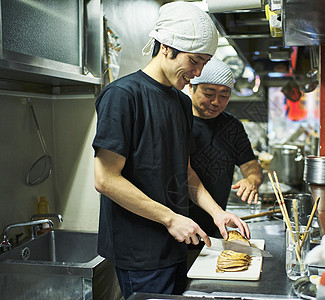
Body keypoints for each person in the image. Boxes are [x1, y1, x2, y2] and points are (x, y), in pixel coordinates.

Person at [92, 3, 249, 298]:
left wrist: (217, 213)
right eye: (194, 61)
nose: (198, 71)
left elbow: (184, 169)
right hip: (141, 250)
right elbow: (105, 180)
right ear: (166, 47)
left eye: (205, 62)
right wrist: (170, 218)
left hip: (176, 244)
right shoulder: (123, 96)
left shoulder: (179, 102)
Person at [187, 57, 264, 240]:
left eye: (224, 95)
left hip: (216, 224)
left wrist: (252, 179)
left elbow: (250, 164)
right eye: (209, 93)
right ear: (191, 87)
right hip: (180, 227)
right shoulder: (178, 121)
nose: (216, 102)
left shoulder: (231, 126)